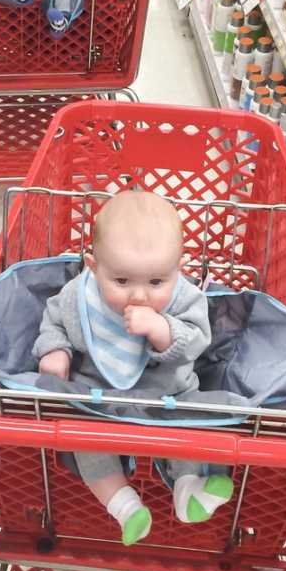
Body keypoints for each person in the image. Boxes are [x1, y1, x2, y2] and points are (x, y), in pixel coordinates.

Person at [33, 189, 234, 546]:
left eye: (156, 282)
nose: (139, 295)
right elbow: (54, 320)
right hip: (97, 398)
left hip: (168, 394)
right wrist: (55, 350)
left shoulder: (184, 295)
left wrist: (163, 331)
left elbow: (199, 339)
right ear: (93, 267)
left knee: (190, 429)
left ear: (179, 268)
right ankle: (125, 506)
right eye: (121, 281)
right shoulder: (80, 296)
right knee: (84, 438)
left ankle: (189, 489)